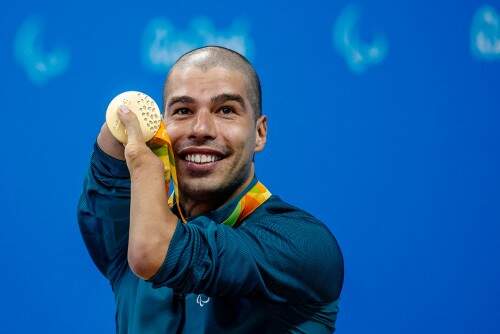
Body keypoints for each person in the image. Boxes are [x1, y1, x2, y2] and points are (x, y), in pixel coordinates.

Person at [77, 46, 344, 333]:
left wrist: (145, 168)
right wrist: (132, 118)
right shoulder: (129, 233)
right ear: (162, 128)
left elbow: (154, 252)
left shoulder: (300, 244)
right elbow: (108, 165)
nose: (201, 128)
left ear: (259, 133)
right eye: (183, 111)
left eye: (226, 110)